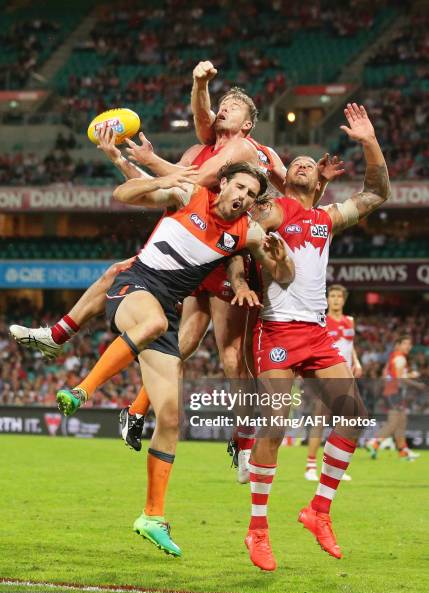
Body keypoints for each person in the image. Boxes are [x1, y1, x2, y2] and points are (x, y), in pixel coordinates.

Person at [10, 61, 343, 469]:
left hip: (229, 249)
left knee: (232, 354)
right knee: (170, 330)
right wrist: (125, 158)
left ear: (249, 123)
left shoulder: (245, 153)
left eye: (232, 106)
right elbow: (170, 186)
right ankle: (119, 395)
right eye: (218, 104)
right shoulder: (199, 149)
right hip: (192, 247)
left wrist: (151, 159)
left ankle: (240, 442)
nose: (221, 109)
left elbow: (289, 191)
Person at [56, 162, 295, 557]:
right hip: (134, 289)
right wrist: (162, 180)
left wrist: (281, 258)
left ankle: (152, 516)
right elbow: (122, 195)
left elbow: (281, 273)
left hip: (166, 316)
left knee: (169, 418)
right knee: (149, 320)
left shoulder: (247, 232)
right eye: (239, 188)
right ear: (223, 184)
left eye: (251, 195)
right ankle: (83, 390)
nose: (243, 198)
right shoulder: (190, 194)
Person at [227, 104, 390, 571]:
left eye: (306, 162)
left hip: (316, 333)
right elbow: (241, 238)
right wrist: (239, 281)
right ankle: (257, 530)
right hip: (276, 329)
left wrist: (370, 141)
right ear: (286, 177)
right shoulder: (276, 208)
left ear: (316, 177)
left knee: (354, 418)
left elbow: (377, 193)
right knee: (276, 426)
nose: (300, 163)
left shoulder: (323, 219)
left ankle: (318, 511)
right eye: (293, 162)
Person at [304, 284, 362, 482]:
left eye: (339, 296)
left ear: (344, 300)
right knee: (320, 418)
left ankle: (335, 467)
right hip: (328, 374)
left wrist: (357, 361)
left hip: (346, 374)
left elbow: (350, 344)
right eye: (333, 296)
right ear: (327, 299)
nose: (336, 299)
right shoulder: (322, 321)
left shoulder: (350, 321)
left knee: (345, 421)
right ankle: (310, 465)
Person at [366, 335, 422, 461]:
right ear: (399, 345)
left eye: (410, 344)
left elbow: (386, 372)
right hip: (394, 393)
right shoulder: (400, 358)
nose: (409, 346)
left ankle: (403, 451)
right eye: (406, 344)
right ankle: (374, 442)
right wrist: (415, 380)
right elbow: (400, 378)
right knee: (394, 422)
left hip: (393, 392)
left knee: (402, 421)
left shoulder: (393, 356)